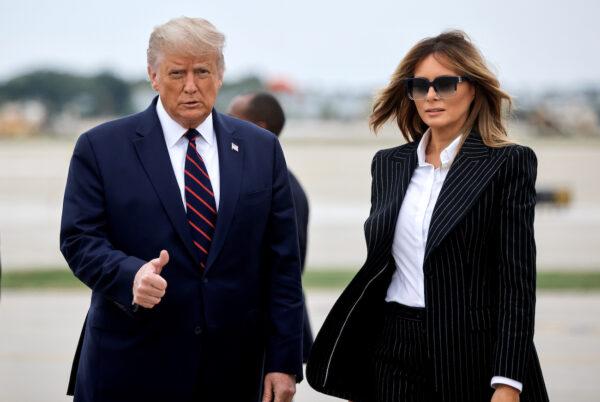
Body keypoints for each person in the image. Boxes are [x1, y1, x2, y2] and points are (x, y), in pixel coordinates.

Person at [60, 17, 303, 402]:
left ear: (220, 74)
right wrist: (131, 276)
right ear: (153, 76)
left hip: (233, 372)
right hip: (129, 369)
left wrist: (283, 360)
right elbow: (79, 239)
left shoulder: (262, 149)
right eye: (177, 73)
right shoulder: (101, 148)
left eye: (202, 71)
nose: (191, 86)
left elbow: (283, 264)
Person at [306, 31, 549, 402]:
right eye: (419, 86)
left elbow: (516, 284)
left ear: (473, 88)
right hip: (395, 347)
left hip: (472, 354)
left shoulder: (508, 163)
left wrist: (507, 380)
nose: (431, 95)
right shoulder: (389, 164)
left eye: (445, 84)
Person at [228, 92, 314, 363]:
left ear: (258, 128)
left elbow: (287, 269)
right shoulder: (238, 178)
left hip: (263, 336)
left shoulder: (283, 187)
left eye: (232, 118)